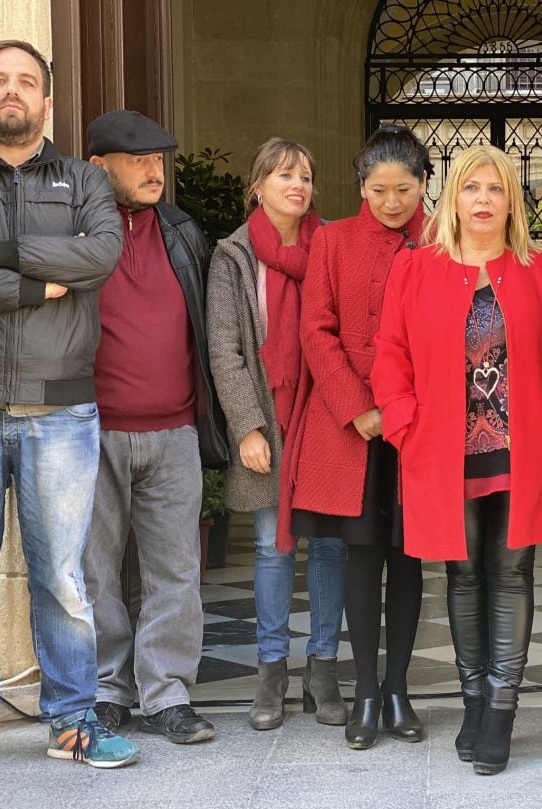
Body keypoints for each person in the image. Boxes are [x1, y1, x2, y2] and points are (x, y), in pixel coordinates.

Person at [372, 145, 542, 775]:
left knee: (513, 570)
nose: (483, 200)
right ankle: (471, 701)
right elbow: (390, 354)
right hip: (444, 450)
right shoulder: (416, 269)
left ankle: (501, 711)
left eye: (495, 188)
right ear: (451, 199)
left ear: (511, 199)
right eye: (470, 188)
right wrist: (405, 425)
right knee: (462, 575)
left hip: (522, 447)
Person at [0, 39, 139, 767]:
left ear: (48, 101)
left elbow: (99, 257)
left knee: (62, 579)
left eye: (25, 82)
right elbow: (72, 265)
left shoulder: (83, 180)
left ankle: (73, 721)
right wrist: (45, 277)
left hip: (62, 412)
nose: (11, 91)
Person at [80, 110, 227, 745]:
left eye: (159, 159)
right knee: (95, 570)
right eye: (138, 159)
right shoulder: (76, 232)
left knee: (176, 570)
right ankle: (107, 689)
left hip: (174, 433)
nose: (154, 171)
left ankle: (167, 694)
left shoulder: (184, 233)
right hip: (91, 430)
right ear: (97, 167)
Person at [291, 125, 430, 750]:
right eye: (379, 190)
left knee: (408, 557)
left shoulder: (439, 242)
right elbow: (316, 332)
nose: (392, 202)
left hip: (418, 426)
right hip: (348, 430)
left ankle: (399, 689)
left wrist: (402, 409)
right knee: (359, 555)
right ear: (362, 187)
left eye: (404, 189)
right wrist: (358, 408)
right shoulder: (332, 240)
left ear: (425, 184)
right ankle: (366, 694)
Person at [207, 138, 347, 731]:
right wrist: (248, 427)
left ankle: (323, 667)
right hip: (268, 421)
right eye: (285, 174)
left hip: (325, 420)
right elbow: (226, 349)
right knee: (272, 547)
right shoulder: (234, 256)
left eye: (306, 175)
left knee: (331, 545)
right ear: (257, 185)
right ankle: (271, 671)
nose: (298, 185)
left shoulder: (330, 246)